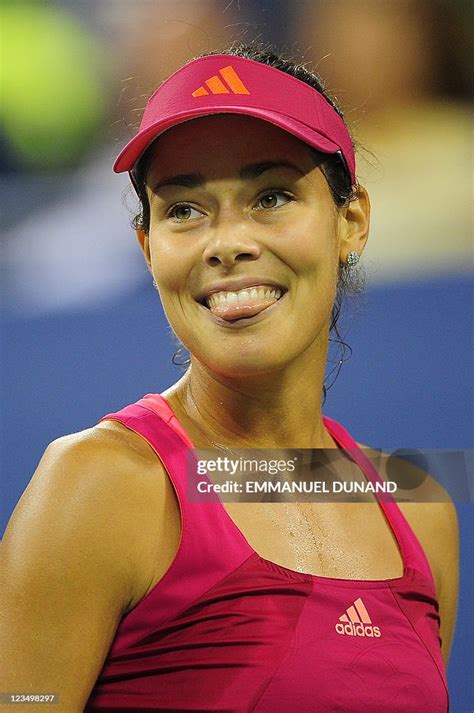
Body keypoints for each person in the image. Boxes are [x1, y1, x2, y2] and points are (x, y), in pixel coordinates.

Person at [1, 44, 458, 712]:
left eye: (271, 195)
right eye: (184, 209)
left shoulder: (420, 506)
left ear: (351, 221)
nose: (226, 241)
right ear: (147, 247)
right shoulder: (97, 484)